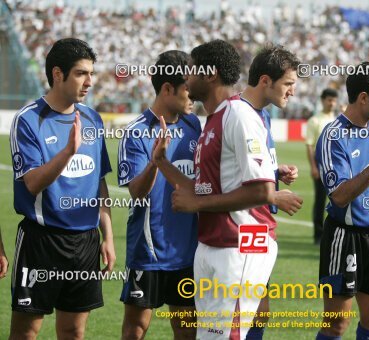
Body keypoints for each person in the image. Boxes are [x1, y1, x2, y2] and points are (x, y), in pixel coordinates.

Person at [149, 39, 276, 339]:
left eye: (191, 70)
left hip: (239, 247)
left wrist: (197, 205)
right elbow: (203, 190)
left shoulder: (239, 115)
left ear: (210, 74)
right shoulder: (212, 119)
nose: (186, 77)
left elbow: (261, 191)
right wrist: (162, 163)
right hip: (212, 244)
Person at [9, 38, 115, 339]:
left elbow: (100, 184)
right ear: (58, 74)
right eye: (82, 73)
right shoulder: (29, 120)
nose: (90, 82)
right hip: (41, 241)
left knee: (73, 332)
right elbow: (32, 183)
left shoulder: (92, 119)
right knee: (26, 333)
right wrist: (68, 151)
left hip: (85, 243)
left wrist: (107, 236)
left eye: (91, 74)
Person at [118, 50, 200, 340]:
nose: (194, 97)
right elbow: (137, 193)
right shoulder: (136, 132)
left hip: (188, 251)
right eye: (188, 90)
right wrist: (155, 161)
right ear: (167, 89)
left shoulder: (194, 125)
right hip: (148, 251)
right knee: (135, 329)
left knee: (187, 329)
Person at [315, 62, 369, 340]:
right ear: (364, 98)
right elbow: (338, 196)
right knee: (336, 324)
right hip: (345, 237)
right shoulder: (333, 135)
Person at [240, 44, 303, 339]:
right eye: (288, 84)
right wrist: (273, 195)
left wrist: (276, 172)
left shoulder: (262, 116)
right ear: (266, 80)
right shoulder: (238, 114)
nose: (292, 91)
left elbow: (254, 164)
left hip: (263, 223)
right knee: (245, 311)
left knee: (258, 311)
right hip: (244, 224)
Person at [305, 88, 338, 244]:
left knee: (337, 200)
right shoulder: (315, 120)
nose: (332, 103)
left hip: (336, 166)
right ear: (323, 100)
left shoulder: (337, 120)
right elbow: (310, 145)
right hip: (321, 165)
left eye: (334, 100)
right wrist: (313, 167)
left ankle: (333, 234)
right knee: (320, 201)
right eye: (329, 100)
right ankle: (318, 235)